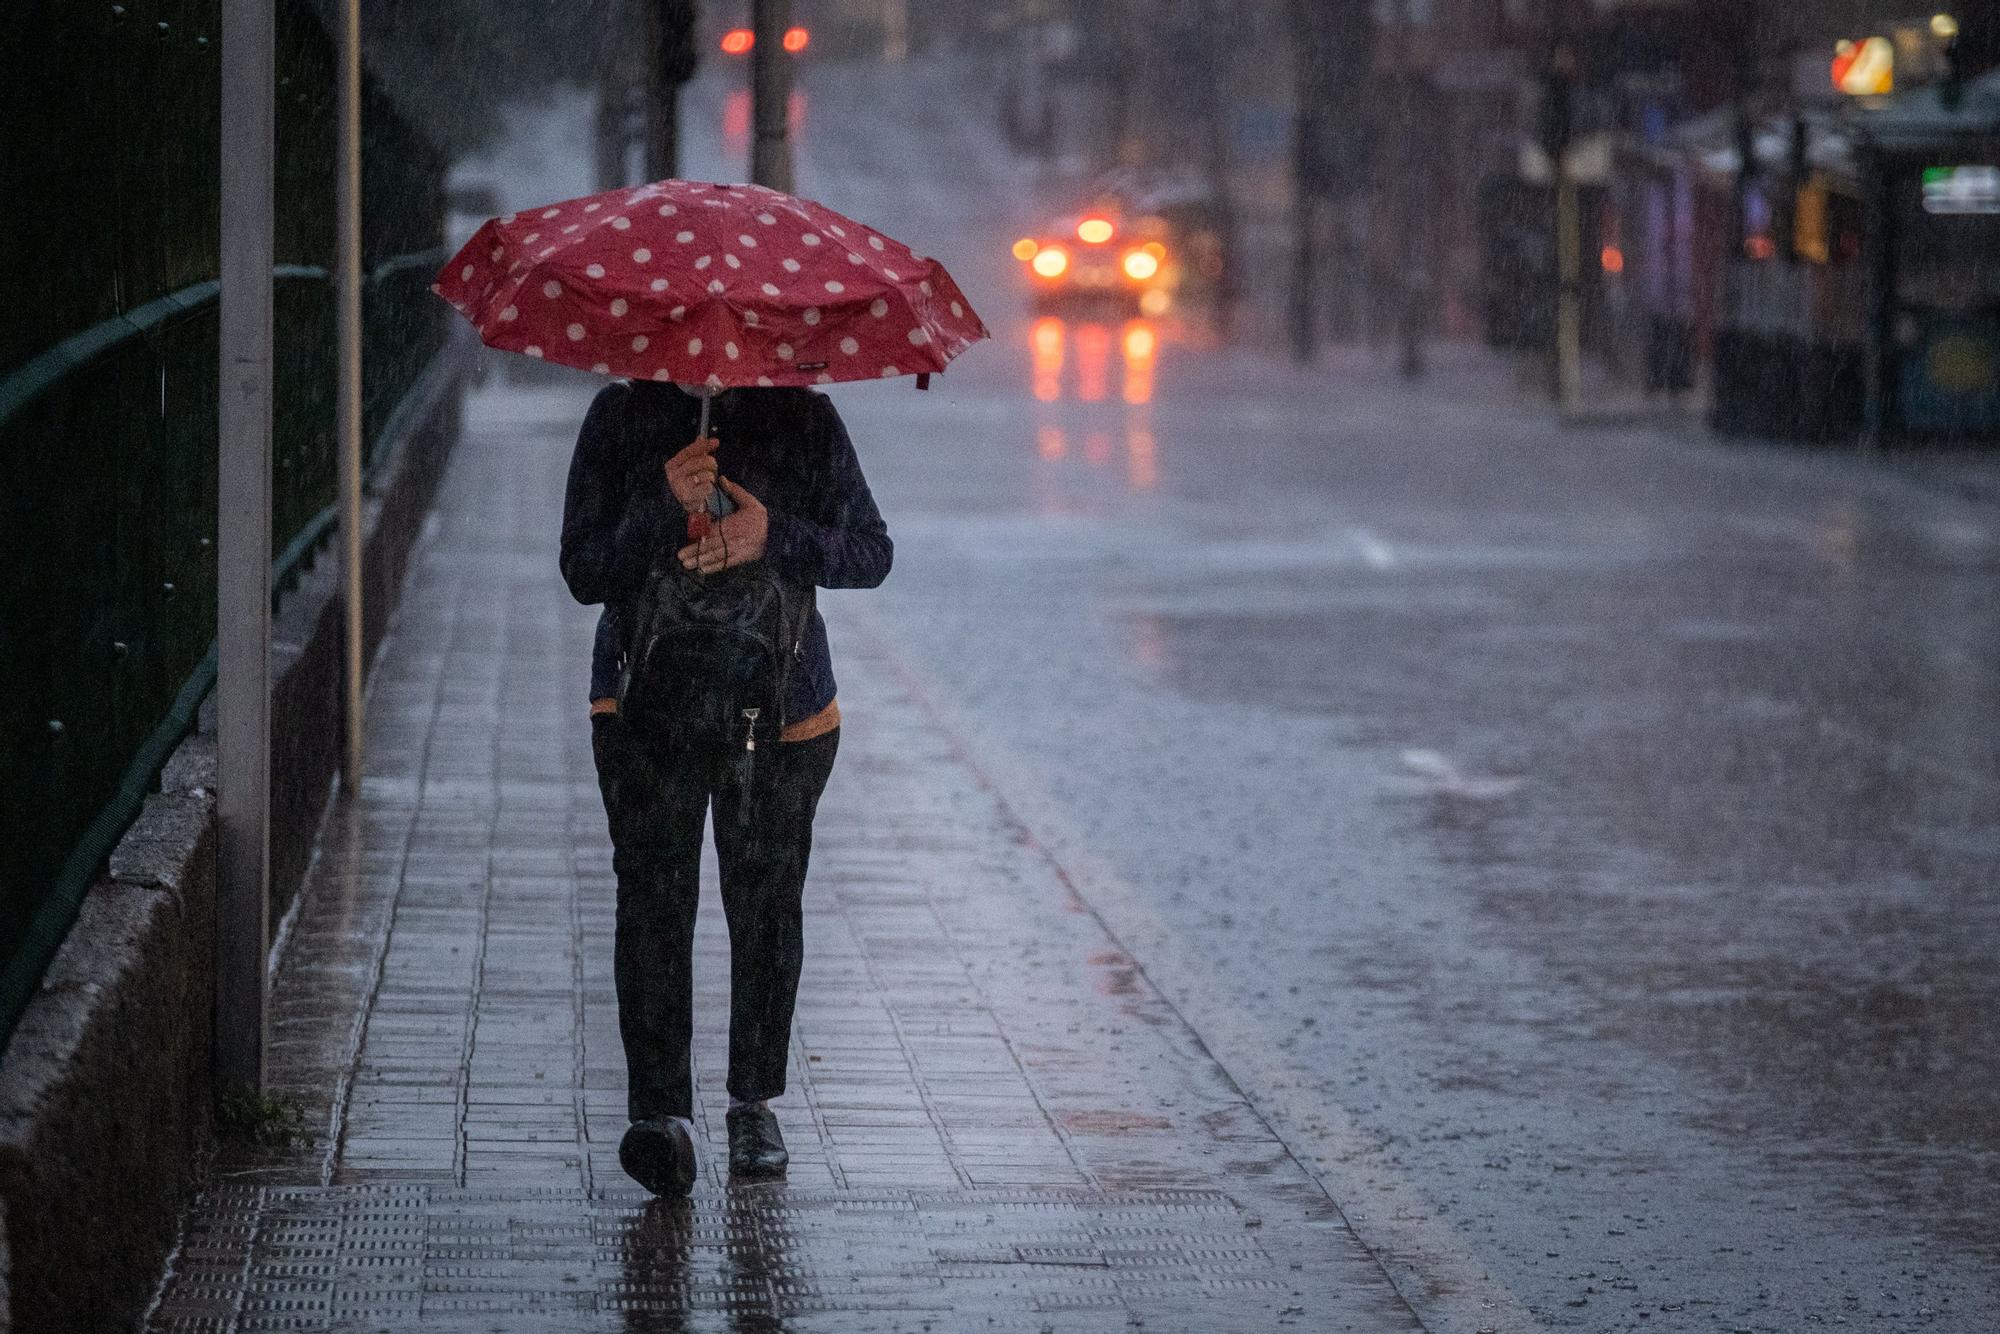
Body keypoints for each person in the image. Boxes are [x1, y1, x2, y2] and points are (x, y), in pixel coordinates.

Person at [560, 378, 891, 1195]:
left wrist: (769, 534)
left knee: (767, 904)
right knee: (653, 901)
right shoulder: (621, 414)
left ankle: (753, 1104)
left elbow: (871, 553)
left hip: (782, 711)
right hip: (643, 707)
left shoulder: (804, 418)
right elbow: (583, 568)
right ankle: (660, 1115)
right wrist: (665, 510)